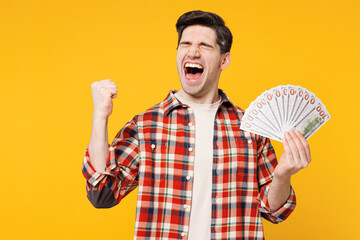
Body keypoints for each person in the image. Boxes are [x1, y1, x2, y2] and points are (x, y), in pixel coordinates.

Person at [82, 10, 311, 240]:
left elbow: (274, 211)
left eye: (205, 45)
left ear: (224, 60)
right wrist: (100, 117)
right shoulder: (146, 125)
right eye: (185, 44)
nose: (193, 51)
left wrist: (282, 176)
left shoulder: (251, 128)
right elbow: (101, 194)